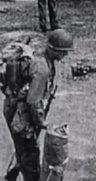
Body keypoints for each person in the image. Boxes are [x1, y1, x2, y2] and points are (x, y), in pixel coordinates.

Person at [1, 29, 73, 181]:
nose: (65, 55)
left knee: (22, 149)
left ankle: (11, 175)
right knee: (31, 159)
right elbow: (33, 101)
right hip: (19, 115)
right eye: (63, 52)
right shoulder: (42, 68)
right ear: (54, 50)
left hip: (13, 106)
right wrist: (42, 122)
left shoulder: (41, 56)